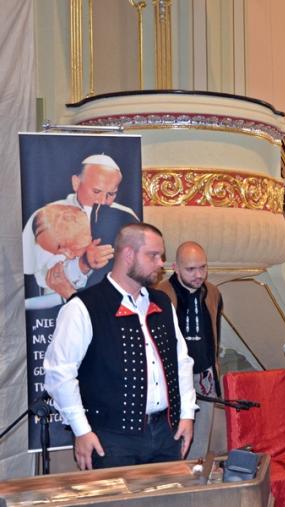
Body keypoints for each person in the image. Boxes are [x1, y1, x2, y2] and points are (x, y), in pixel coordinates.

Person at [44, 223, 196, 470]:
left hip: (166, 433)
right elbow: (60, 373)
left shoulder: (162, 302)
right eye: (153, 255)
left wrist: (187, 414)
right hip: (110, 440)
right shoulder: (83, 307)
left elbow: (181, 362)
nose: (161, 263)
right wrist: (82, 430)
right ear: (128, 255)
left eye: (161, 256)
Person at [22, 154, 139, 297]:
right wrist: (83, 264)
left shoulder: (126, 215)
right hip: (60, 302)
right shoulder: (46, 216)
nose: (103, 201)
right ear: (76, 183)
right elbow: (42, 275)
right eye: (96, 191)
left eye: (111, 193)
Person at [156, 241, 223, 460]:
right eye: (191, 269)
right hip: (172, 379)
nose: (199, 275)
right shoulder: (159, 294)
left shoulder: (213, 293)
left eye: (203, 267)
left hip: (205, 377)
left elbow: (215, 335)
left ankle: (196, 474)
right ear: (175, 268)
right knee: (173, 439)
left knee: (200, 441)